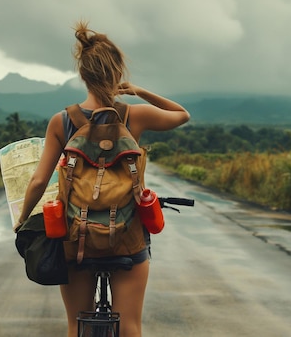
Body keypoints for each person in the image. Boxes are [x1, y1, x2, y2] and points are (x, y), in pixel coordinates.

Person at [13, 21, 190, 337]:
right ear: (118, 74)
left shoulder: (62, 121)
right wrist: (139, 92)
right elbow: (181, 114)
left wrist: (22, 220)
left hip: (75, 239)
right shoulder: (133, 115)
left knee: (74, 324)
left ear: (83, 74)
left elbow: (39, 182)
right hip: (128, 240)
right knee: (130, 327)